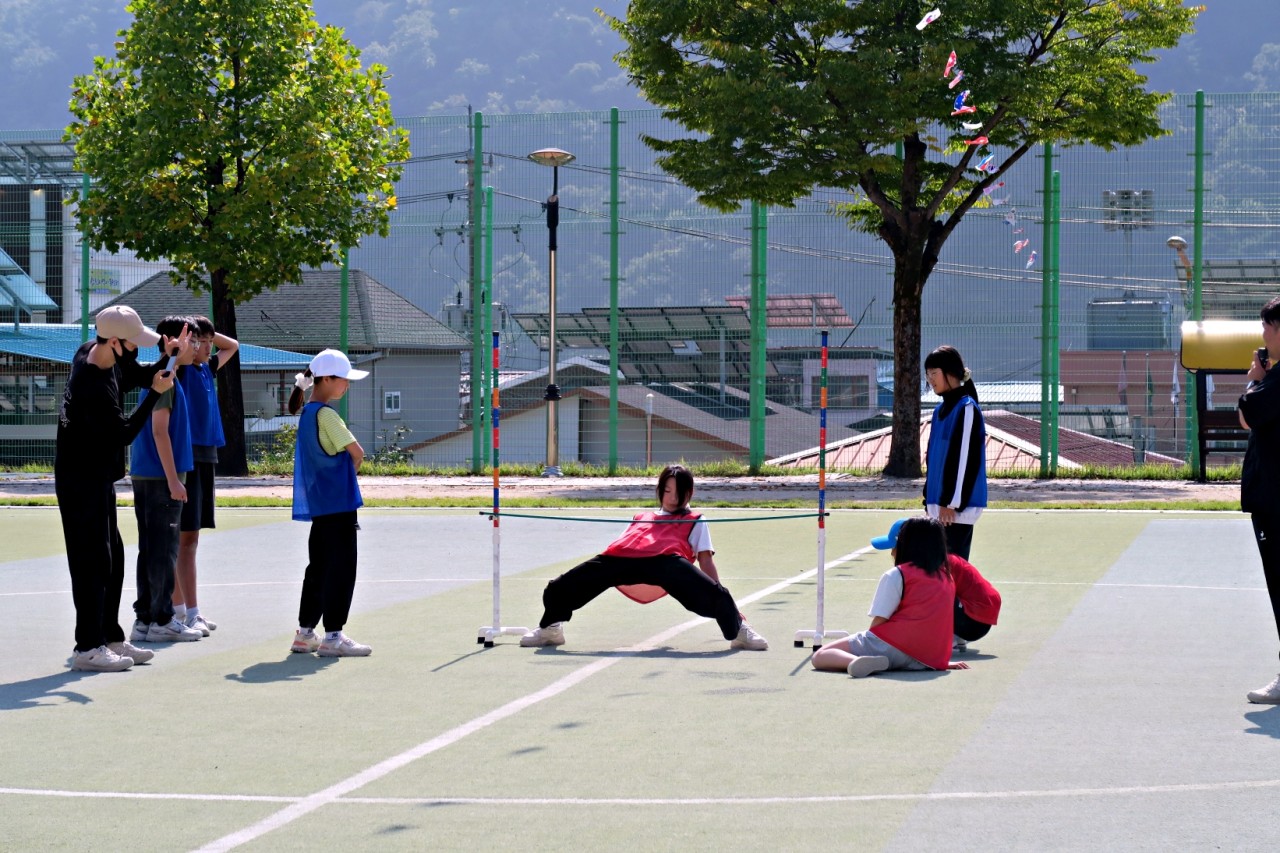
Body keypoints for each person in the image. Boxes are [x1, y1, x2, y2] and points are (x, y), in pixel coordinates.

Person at [519, 464, 769, 651]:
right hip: (620, 559)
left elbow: (705, 561)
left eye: (679, 492)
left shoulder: (695, 519)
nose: (672, 497)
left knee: (715, 594)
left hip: (667, 563)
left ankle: (738, 630)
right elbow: (622, 545)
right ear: (659, 490)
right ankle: (551, 628)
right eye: (667, 490)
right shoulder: (642, 516)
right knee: (559, 586)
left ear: (689, 493)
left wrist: (726, 600)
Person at [55, 306, 177, 672]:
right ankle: (87, 648)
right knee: (90, 564)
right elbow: (124, 431)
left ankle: (110, 637)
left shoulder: (97, 352)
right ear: (113, 342)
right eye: (133, 343)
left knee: (113, 559)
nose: (138, 348)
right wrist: (156, 394)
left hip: (98, 478)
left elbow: (138, 375)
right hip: (79, 481)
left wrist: (167, 356)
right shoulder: (90, 382)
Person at [287, 349, 372, 657]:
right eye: (343, 380)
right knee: (341, 569)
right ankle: (333, 636)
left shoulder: (307, 414)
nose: (346, 385)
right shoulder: (327, 415)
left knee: (319, 568)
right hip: (339, 506)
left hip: (321, 506)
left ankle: (306, 633)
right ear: (325, 379)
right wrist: (349, 474)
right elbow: (357, 452)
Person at [129, 316, 203, 644]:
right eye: (193, 339)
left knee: (151, 549)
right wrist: (174, 480)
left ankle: (145, 620)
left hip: (149, 474)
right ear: (174, 341)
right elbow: (160, 431)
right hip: (160, 478)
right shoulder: (166, 379)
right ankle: (161, 619)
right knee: (163, 550)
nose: (197, 346)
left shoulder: (162, 376)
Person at [811, 517, 956, 678]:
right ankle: (872, 661)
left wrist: (870, 644)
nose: (892, 552)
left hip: (892, 645)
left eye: (894, 546)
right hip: (927, 657)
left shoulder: (897, 574)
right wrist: (937, 660)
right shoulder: (947, 577)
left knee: (821, 655)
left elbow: (879, 620)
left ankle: (856, 661)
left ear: (905, 545)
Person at [173, 315, 239, 636]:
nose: (206, 346)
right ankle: (186, 612)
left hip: (206, 455)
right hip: (189, 456)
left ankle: (184, 610)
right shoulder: (183, 370)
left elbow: (233, 346)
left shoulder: (206, 368)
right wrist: (189, 340)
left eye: (207, 340)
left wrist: (207, 331)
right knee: (185, 539)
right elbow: (179, 354)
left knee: (191, 538)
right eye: (198, 341)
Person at [869, 517, 1001, 654]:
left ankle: (945, 639)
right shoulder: (932, 560)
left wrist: (870, 640)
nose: (892, 552)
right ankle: (956, 636)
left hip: (974, 620)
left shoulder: (933, 565)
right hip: (976, 617)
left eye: (894, 547)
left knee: (921, 598)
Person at [1239, 297, 1280, 704]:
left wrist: (1254, 379)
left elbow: (1247, 415)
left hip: (1274, 500)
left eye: (1268, 327)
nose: (1264, 336)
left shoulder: (1273, 382)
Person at [923, 345, 987, 560]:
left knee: (953, 577)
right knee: (939, 577)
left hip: (954, 510)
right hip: (939, 507)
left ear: (951, 373)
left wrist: (951, 503)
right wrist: (928, 499)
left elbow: (963, 459)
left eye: (934, 373)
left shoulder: (966, 408)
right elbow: (933, 458)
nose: (930, 379)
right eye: (928, 374)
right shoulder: (939, 410)